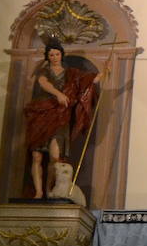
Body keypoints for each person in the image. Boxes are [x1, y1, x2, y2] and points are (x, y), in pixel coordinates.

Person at [23, 39, 101, 198]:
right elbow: (43, 83)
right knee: (36, 156)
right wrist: (58, 94)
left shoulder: (71, 73)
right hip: (42, 115)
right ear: (48, 57)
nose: (54, 57)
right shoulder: (44, 72)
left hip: (60, 117)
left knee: (55, 157)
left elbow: (91, 80)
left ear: (61, 55)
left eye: (57, 54)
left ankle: (50, 190)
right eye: (51, 54)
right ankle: (39, 192)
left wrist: (105, 71)